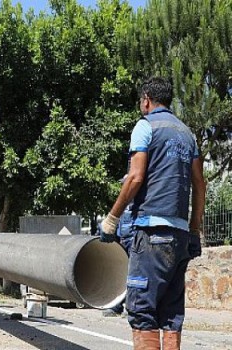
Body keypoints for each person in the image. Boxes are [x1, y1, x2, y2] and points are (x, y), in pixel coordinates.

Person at [101, 77, 206, 349]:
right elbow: (199, 184)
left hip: (150, 233)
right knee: (171, 314)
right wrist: (194, 231)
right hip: (179, 235)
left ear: (146, 99)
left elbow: (135, 178)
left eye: (140, 101)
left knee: (142, 309)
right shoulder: (187, 133)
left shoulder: (145, 126)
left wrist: (112, 219)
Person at [102, 175, 135, 317]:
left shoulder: (138, 204)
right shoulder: (123, 204)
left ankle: (130, 307)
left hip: (135, 240)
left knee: (133, 275)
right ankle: (116, 306)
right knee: (121, 274)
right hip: (123, 240)